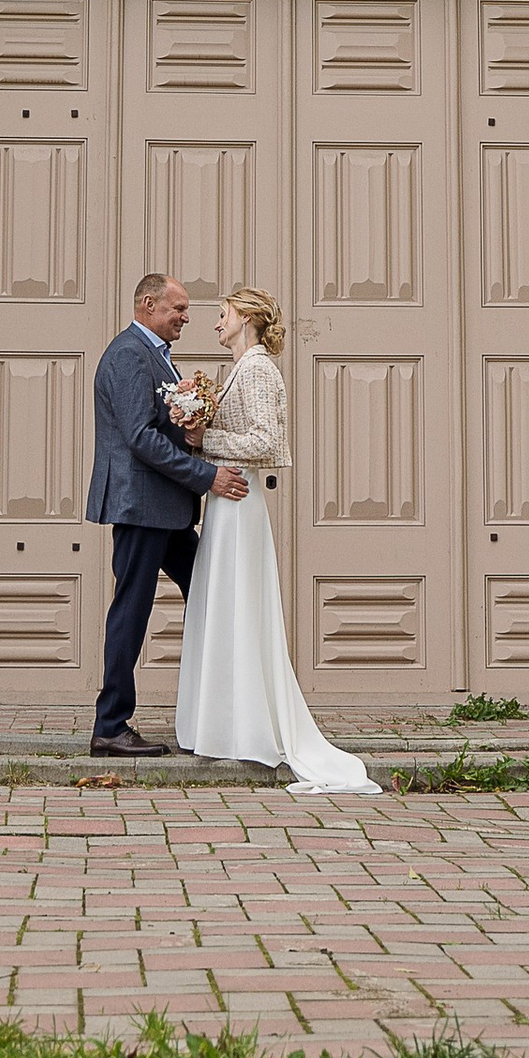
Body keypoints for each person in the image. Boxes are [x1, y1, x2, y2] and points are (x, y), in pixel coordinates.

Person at [173, 285, 379, 796]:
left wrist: (204, 441)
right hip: (224, 500)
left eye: (221, 315)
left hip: (240, 500)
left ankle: (245, 726)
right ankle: (221, 723)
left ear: (245, 317)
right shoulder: (241, 368)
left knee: (239, 607)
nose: (215, 323)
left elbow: (268, 442)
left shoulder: (260, 369)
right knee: (222, 606)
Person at [86, 271, 246, 760]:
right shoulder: (129, 355)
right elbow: (140, 437)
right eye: (177, 309)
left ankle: (229, 710)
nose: (186, 317)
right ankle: (110, 725)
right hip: (141, 506)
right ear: (148, 304)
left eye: (187, 310)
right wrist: (206, 476)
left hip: (166, 509)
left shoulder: (156, 357)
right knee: (131, 611)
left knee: (215, 591)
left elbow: (164, 428)